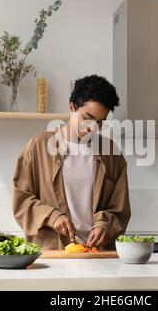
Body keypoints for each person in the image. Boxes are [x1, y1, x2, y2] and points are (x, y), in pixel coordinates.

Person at [12, 75, 131, 250]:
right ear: (72, 108)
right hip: (52, 255)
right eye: (87, 118)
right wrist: (52, 216)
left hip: (98, 255)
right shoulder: (38, 147)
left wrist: (104, 225)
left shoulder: (111, 153)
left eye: (100, 122)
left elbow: (119, 208)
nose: (92, 128)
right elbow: (21, 200)